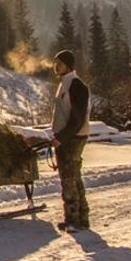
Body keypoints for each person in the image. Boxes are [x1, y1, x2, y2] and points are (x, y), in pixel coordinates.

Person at [50, 50, 91, 232]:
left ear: (68, 65)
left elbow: (77, 118)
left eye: (59, 63)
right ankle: (82, 217)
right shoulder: (65, 84)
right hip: (67, 137)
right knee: (74, 177)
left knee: (68, 179)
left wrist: (61, 137)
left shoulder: (76, 86)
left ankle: (72, 220)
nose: (56, 66)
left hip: (73, 138)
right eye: (55, 62)